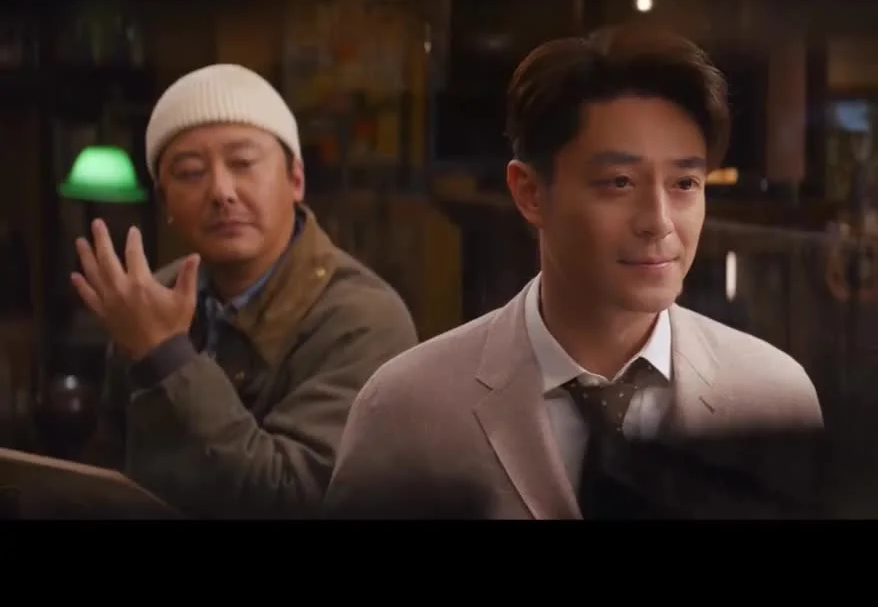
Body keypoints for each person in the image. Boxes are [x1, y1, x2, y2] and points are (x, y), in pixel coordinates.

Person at [325, 26, 823, 519]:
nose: (658, 221)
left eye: (685, 183)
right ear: (530, 193)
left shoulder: (773, 397)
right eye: (620, 182)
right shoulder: (410, 408)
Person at [76, 64, 418, 518]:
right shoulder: (152, 299)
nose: (222, 192)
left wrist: (166, 355)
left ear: (296, 180)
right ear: (165, 202)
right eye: (190, 172)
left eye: (243, 164)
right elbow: (111, 474)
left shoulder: (362, 318)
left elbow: (294, 497)